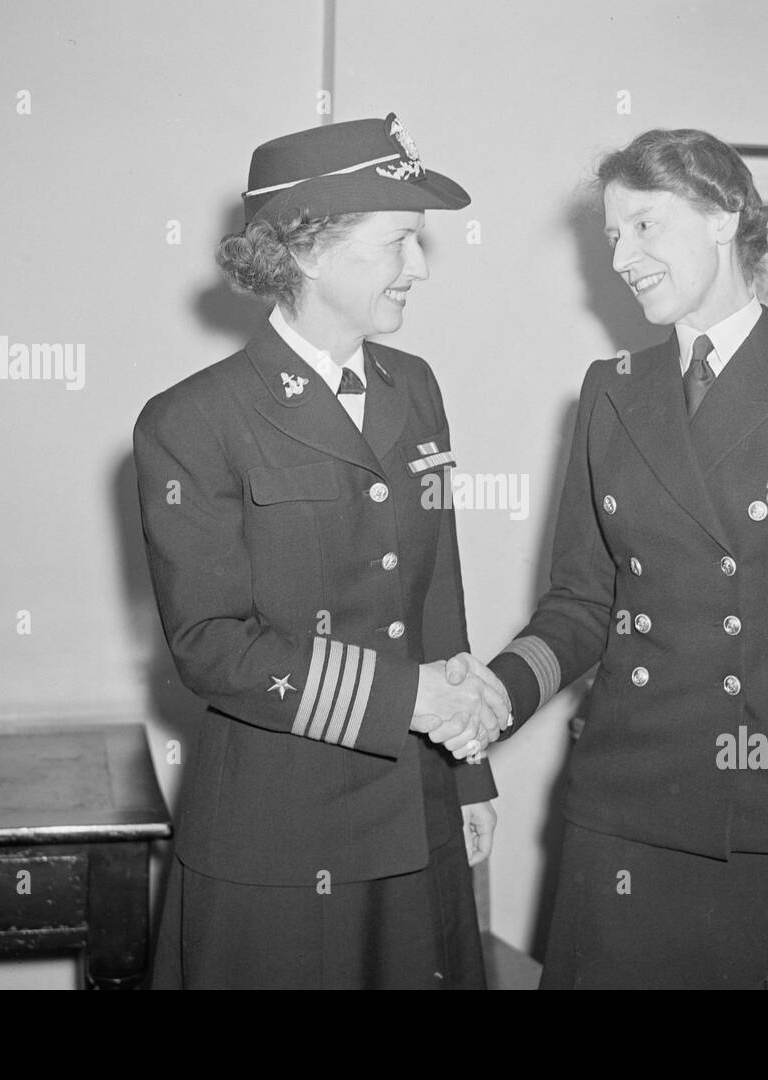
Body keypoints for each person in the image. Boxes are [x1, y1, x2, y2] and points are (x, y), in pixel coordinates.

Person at [476, 128, 768, 989]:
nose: (622, 256)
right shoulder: (610, 388)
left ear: (725, 219)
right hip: (624, 805)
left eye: (645, 226)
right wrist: (498, 692)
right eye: (612, 235)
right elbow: (580, 601)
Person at [134, 113, 510, 990]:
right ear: (304, 252)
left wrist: (469, 773)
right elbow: (211, 646)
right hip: (277, 834)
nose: (419, 269)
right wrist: (409, 696)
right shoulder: (191, 422)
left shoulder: (414, 387)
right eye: (399, 245)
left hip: (414, 810)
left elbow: (436, 594)